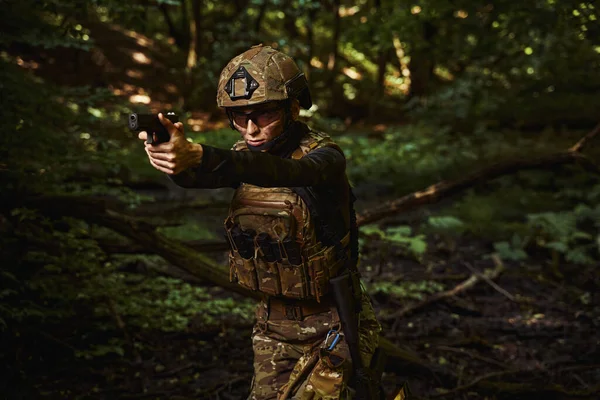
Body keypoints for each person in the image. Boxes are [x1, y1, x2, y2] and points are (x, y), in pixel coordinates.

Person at [138, 45, 382, 400]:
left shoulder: (324, 158)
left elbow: (287, 171)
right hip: (272, 326)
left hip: (333, 326)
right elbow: (200, 176)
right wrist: (174, 158)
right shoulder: (243, 157)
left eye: (264, 114)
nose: (250, 129)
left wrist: (203, 155)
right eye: (239, 116)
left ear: (292, 107)